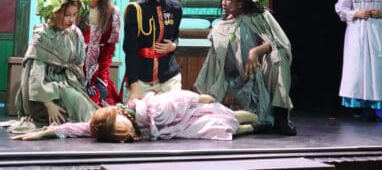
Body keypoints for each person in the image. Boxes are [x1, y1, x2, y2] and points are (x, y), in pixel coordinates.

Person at [193, 0, 296, 136]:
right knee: (251, 119)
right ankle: (257, 121)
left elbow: (278, 42)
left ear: (240, 1)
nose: (223, 3)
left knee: (278, 56)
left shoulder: (257, 17)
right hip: (240, 76)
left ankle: (281, 115)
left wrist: (255, 52)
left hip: (263, 70)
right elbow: (215, 62)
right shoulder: (221, 27)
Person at [11, 90, 259, 142]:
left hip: (184, 112)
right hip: (178, 129)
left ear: (118, 113)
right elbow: (77, 128)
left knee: (228, 115)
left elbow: (176, 99)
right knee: (218, 129)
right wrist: (45, 131)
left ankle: (260, 120)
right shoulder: (103, 126)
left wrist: (198, 99)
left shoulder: (150, 108)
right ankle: (250, 129)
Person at [13, 0, 99, 131]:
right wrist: (48, 103)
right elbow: (35, 75)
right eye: (67, 15)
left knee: (82, 103)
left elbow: (77, 64)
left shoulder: (74, 33)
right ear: (56, 13)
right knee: (77, 103)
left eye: (74, 15)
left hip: (67, 83)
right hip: (44, 92)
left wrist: (74, 83)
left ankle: (101, 125)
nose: (71, 19)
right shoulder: (43, 35)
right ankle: (95, 126)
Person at [123, 0, 182, 105]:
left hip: (168, 76)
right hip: (142, 76)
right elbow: (130, 51)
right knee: (135, 115)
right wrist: (134, 87)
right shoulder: (135, 9)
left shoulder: (175, 8)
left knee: (174, 113)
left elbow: (175, 37)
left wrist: (173, 46)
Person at [78, 0, 121, 107]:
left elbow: (108, 53)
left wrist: (101, 80)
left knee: (100, 102)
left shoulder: (112, 13)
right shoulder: (76, 8)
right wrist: (82, 80)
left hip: (97, 74)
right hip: (73, 72)